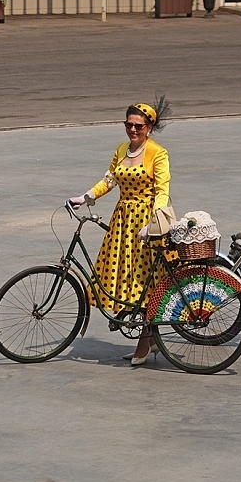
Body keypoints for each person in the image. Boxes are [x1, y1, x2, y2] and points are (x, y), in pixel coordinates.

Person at [70, 98, 175, 366]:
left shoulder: (157, 153)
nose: (132, 130)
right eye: (128, 125)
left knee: (144, 283)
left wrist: (152, 223)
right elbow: (110, 180)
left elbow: (162, 190)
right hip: (123, 222)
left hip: (145, 222)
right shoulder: (121, 150)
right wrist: (86, 196)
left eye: (138, 126)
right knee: (124, 278)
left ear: (149, 127)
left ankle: (146, 338)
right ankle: (149, 339)